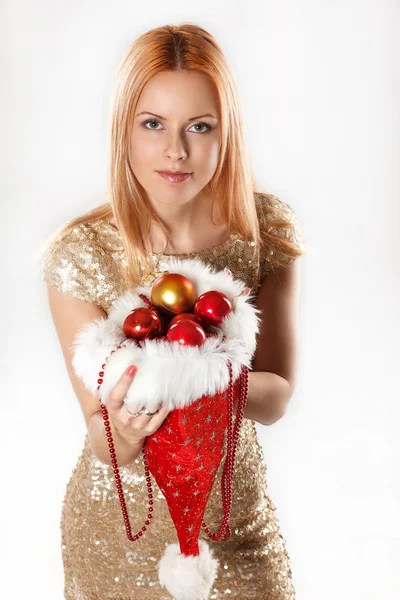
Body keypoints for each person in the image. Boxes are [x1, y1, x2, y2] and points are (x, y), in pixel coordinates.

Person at [41, 23, 308, 600]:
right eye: (153, 124)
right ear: (125, 131)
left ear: (226, 132)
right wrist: (122, 429)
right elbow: (99, 432)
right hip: (119, 536)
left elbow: (278, 395)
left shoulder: (265, 234)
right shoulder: (82, 253)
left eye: (200, 127)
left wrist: (209, 379)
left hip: (237, 532)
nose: (176, 151)